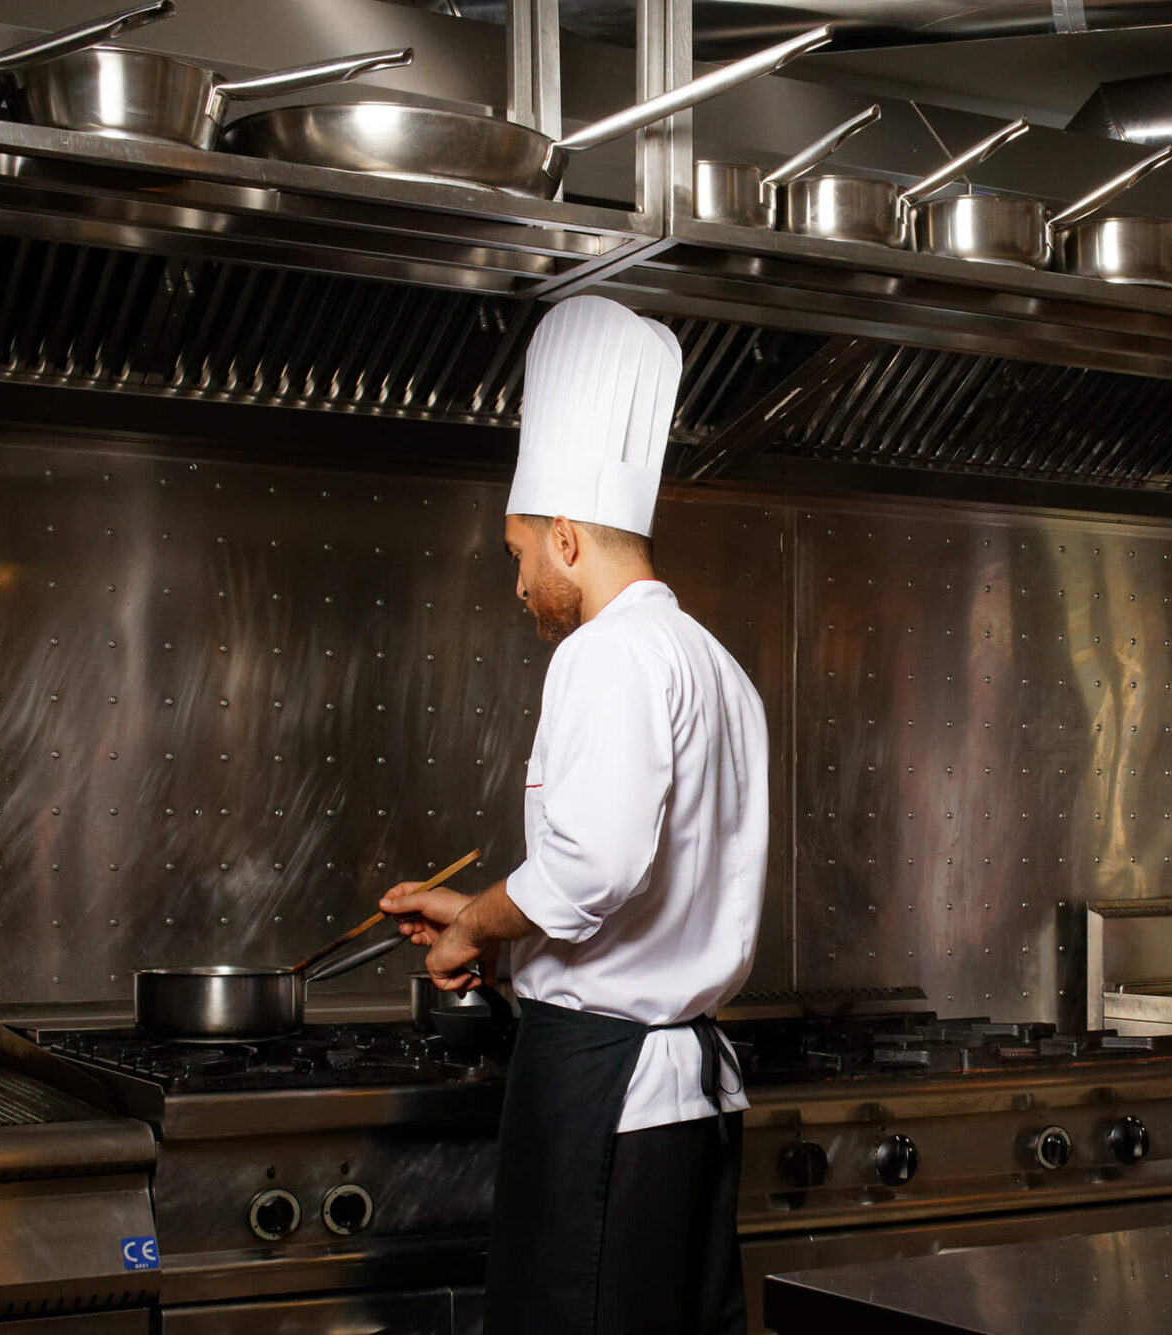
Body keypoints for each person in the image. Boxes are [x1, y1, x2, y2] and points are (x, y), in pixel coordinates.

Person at [380, 295, 770, 1334]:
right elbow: (634, 881)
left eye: (515, 555)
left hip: (605, 1089)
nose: (516, 586)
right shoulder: (713, 666)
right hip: (683, 1096)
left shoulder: (603, 654)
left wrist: (470, 927)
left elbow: (592, 875)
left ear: (563, 540)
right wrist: (492, 914)